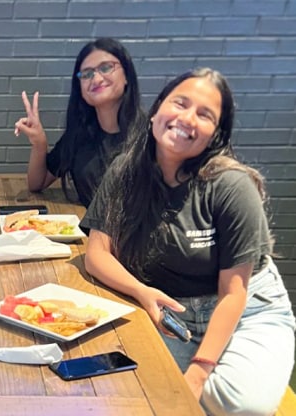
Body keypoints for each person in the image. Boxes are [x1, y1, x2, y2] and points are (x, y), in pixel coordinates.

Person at [81, 68, 295, 415]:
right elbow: (96, 253)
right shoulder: (126, 171)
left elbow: (234, 294)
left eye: (205, 115)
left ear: (214, 135)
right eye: (180, 103)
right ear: (155, 111)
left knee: (234, 404)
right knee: (138, 391)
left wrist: (199, 371)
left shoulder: (230, 185)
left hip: (245, 310)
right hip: (171, 309)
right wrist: (141, 290)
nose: (187, 118)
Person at [14, 37, 144, 207]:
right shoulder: (81, 133)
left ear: (126, 75)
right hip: (88, 232)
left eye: (106, 68)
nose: (96, 79)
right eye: (87, 74)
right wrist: (39, 143)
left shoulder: (150, 136)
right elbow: (37, 183)